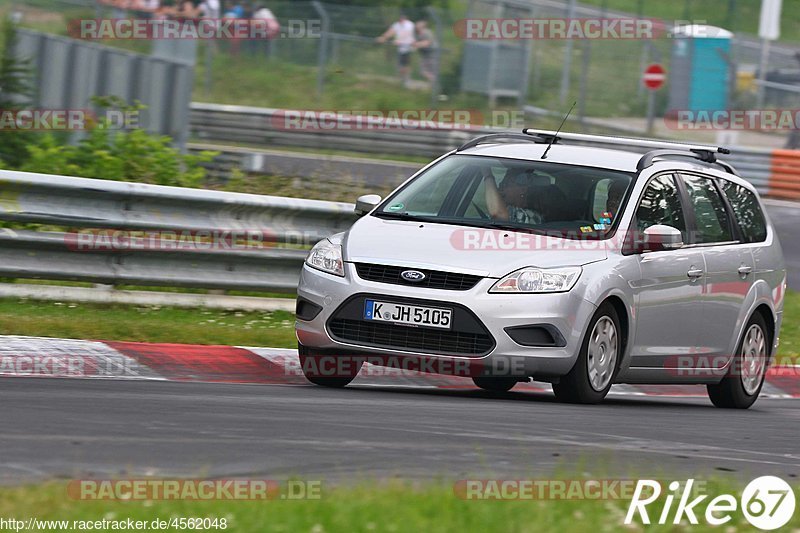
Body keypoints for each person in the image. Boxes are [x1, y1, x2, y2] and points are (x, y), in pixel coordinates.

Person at [376, 13, 415, 88]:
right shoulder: (397, 24)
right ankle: (402, 79)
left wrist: (398, 40)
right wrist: (383, 37)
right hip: (400, 48)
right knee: (400, 66)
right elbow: (390, 32)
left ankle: (407, 80)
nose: (401, 20)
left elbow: (407, 33)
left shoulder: (410, 24)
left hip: (408, 48)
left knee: (406, 65)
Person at [413, 19, 436, 84]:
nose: (416, 28)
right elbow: (415, 43)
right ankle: (432, 83)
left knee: (432, 72)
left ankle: (434, 86)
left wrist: (417, 44)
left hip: (432, 54)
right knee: (423, 72)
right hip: (424, 55)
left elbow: (427, 43)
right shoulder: (417, 34)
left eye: (418, 26)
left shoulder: (427, 32)